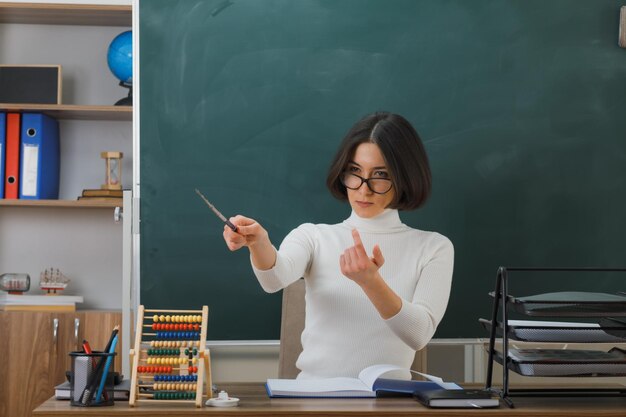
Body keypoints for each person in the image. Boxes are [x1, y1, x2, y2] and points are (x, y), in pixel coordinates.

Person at [222, 111, 454, 379]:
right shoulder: (313, 237)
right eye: (354, 172)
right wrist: (259, 243)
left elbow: (419, 334)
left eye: (380, 175)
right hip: (314, 399)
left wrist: (371, 282)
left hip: (389, 403)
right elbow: (273, 279)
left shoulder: (434, 248)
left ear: (404, 178)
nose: (363, 189)